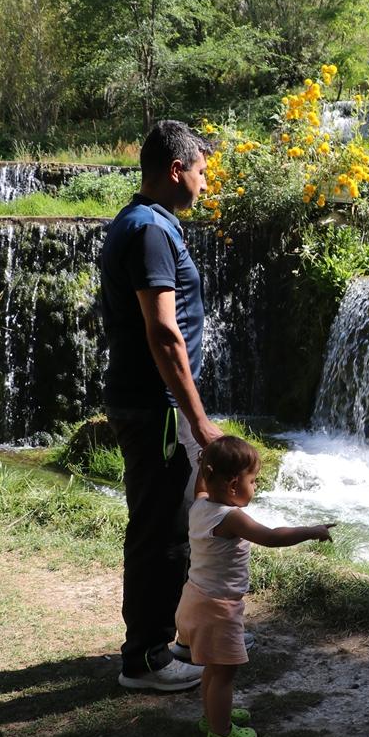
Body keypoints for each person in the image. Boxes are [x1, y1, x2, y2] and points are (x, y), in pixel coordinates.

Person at [99, 119, 225, 691]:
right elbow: (164, 333)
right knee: (162, 532)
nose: (205, 182)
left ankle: (168, 638)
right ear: (177, 170)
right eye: (201, 171)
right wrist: (197, 419)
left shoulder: (143, 219)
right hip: (158, 409)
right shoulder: (150, 230)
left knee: (166, 524)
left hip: (154, 404)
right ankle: (145, 659)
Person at [177, 435, 335, 737]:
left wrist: (204, 462)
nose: (256, 486)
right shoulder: (231, 518)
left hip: (195, 598)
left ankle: (213, 716)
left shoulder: (200, 504)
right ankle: (221, 735)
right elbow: (272, 537)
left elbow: (203, 485)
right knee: (224, 673)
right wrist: (312, 531)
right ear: (234, 484)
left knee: (213, 667)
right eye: (253, 480)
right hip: (218, 609)